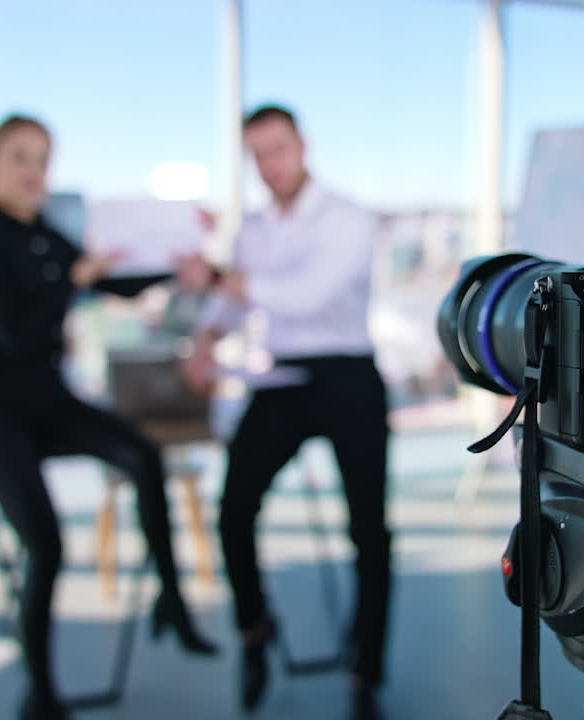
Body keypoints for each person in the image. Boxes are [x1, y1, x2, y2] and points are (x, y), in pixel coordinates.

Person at [0, 115, 218, 720]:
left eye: (42, 160)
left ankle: (171, 601)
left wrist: (179, 260)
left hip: (49, 400)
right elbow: (13, 330)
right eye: (21, 157)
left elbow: (112, 282)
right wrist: (70, 279)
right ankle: (41, 692)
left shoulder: (45, 233)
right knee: (45, 545)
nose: (33, 172)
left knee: (145, 457)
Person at [179, 105, 391, 720]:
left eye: (279, 149)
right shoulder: (253, 228)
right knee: (234, 508)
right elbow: (236, 303)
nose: (271, 165)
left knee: (369, 531)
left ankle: (366, 668)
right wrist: (205, 339)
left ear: (304, 144)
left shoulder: (349, 218)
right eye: (259, 155)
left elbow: (307, 295)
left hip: (346, 373)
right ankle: (254, 627)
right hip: (281, 378)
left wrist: (219, 277)